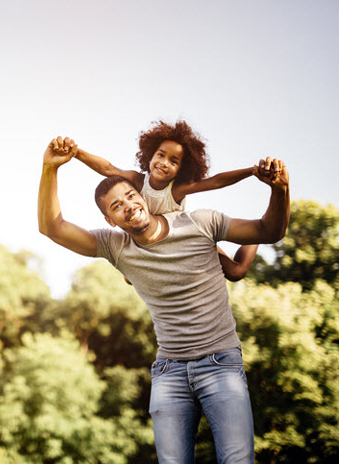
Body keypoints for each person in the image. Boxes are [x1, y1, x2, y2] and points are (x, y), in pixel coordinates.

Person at [37, 136, 290, 463]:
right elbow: (52, 227)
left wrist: (280, 189)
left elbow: (270, 230)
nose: (128, 205)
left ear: (140, 195)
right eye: (116, 206)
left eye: (130, 196)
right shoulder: (116, 247)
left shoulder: (201, 222)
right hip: (169, 373)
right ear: (109, 220)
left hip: (221, 365)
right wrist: (49, 170)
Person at [75, 120, 257, 281]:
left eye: (174, 161)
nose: (164, 163)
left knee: (235, 272)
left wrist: (252, 171)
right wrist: (76, 152)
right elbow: (107, 168)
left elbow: (216, 181)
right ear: (150, 155)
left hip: (186, 235)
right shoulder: (138, 181)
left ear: (181, 170)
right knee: (129, 278)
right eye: (160, 155)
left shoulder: (176, 190)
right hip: (155, 242)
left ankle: (255, 236)